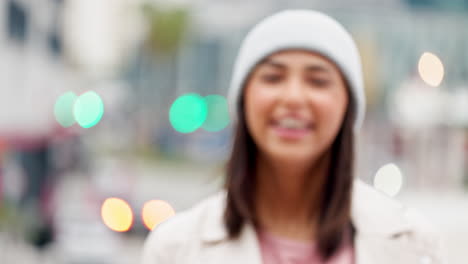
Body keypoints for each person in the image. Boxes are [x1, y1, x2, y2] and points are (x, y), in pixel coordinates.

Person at [142, 9, 443, 264]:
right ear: (244, 99)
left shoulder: (414, 245)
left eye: (318, 80)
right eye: (273, 77)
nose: (294, 97)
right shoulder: (175, 248)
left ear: (347, 105)